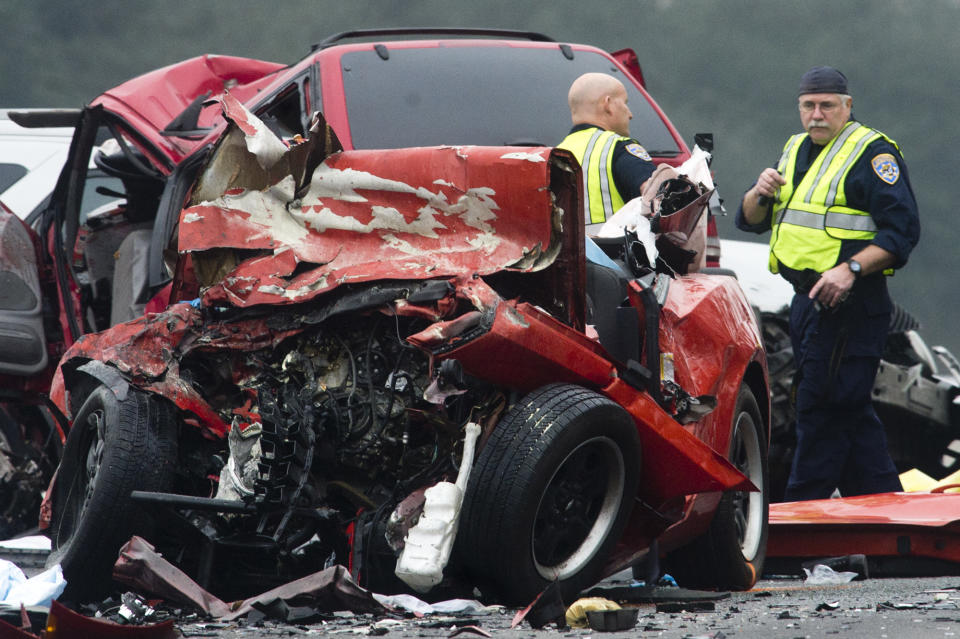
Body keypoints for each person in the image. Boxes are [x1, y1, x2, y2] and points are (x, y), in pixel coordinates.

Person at [737, 66, 920, 501]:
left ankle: (798, 526)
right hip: (805, 303)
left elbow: (902, 234)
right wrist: (759, 192)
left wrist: (851, 269)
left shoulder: (873, 154)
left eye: (827, 105)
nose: (816, 114)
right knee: (849, 414)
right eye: (808, 105)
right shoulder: (795, 148)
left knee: (820, 411)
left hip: (852, 304)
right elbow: (750, 220)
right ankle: (887, 528)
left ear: (847, 106)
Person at [558, 72, 657, 236]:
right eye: (625, 103)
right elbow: (656, 196)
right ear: (608, 104)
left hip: (565, 259)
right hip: (614, 258)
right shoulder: (618, 147)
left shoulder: (555, 154)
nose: (630, 114)